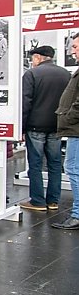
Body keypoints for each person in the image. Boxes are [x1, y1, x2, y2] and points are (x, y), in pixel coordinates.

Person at [19, 45, 70, 212]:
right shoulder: (65, 74)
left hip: (35, 126)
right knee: (55, 164)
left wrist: (21, 128)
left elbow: (25, 103)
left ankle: (38, 201)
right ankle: (53, 201)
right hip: (56, 126)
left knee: (35, 164)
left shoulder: (31, 74)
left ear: (38, 57)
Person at [53, 33, 79, 230]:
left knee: (73, 169)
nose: (73, 50)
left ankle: (77, 214)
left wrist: (68, 118)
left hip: (76, 129)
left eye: (76, 47)